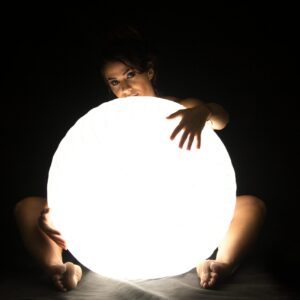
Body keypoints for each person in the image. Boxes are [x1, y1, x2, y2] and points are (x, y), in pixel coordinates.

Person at [14, 26, 266, 291]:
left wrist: (202, 112)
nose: (125, 87)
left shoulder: (179, 109)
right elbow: (84, 174)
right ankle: (58, 266)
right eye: (114, 82)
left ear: (150, 72)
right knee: (28, 208)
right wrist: (58, 209)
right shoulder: (103, 123)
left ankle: (220, 264)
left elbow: (221, 119)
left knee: (252, 206)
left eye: (130, 74)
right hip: (111, 227)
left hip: (175, 220)